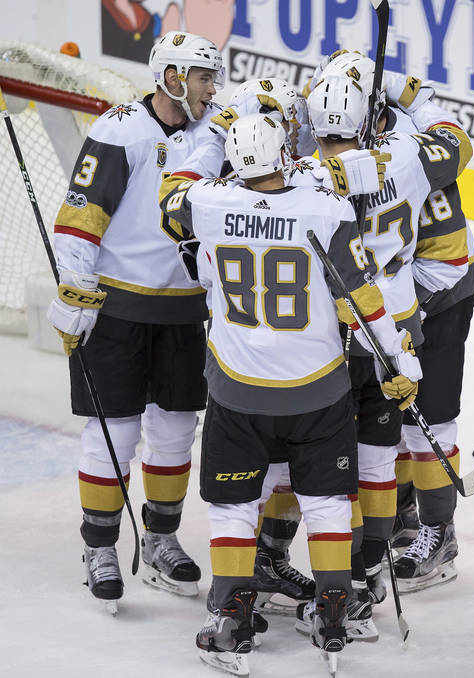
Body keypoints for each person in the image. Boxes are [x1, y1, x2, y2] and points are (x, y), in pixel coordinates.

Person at [160, 113, 418, 674]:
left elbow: (172, 195)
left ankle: (231, 617)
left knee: (234, 506)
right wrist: (398, 362)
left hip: (238, 390)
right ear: (284, 154)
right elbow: (362, 298)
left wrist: (211, 141)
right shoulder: (325, 209)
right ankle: (333, 610)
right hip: (316, 390)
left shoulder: (209, 204)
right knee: (326, 502)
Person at [281, 69, 473, 639]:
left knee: (333, 466)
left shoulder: (304, 179)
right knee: (377, 462)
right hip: (398, 328)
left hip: (335, 333)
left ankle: (344, 585)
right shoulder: (408, 157)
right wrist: (414, 95)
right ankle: (369, 579)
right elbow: (456, 142)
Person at [48, 31, 224, 609]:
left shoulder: (218, 131)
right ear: (172, 77)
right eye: (203, 76)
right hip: (117, 309)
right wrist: (76, 294)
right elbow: (79, 218)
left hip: (184, 311)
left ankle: (160, 540)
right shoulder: (120, 129)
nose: (212, 87)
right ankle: (99, 546)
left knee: (175, 432)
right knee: (114, 433)